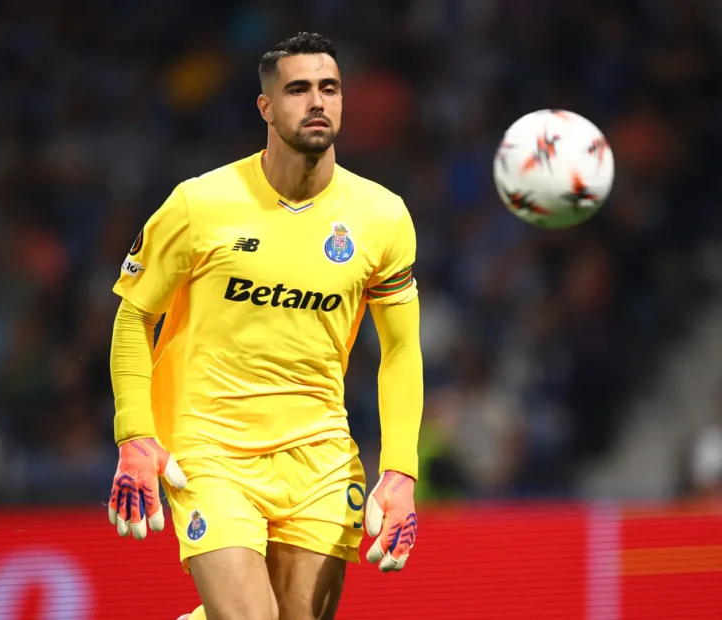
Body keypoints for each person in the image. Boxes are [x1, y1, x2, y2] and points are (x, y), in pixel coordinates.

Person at [106, 32, 423, 620]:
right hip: (212, 450)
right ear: (266, 107)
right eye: (298, 89)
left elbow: (401, 350)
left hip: (321, 457)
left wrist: (400, 470)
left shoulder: (383, 217)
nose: (317, 102)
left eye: (329, 88)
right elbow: (135, 316)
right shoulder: (199, 205)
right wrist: (135, 435)